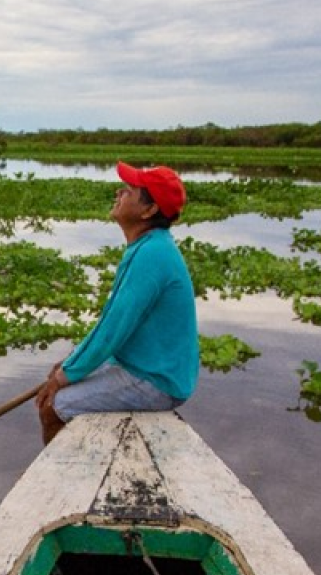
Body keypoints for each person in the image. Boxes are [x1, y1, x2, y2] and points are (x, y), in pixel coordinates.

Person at [35, 162, 199, 444]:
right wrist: (69, 366)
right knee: (59, 374)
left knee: (53, 406)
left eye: (130, 190)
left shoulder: (152, 255)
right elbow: (112, 322)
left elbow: (113, 328)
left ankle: (64, 478)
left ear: (149, 210)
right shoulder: (149, 246)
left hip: (155, 381)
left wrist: (66, 376)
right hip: (144, 366)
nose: (119, 192)